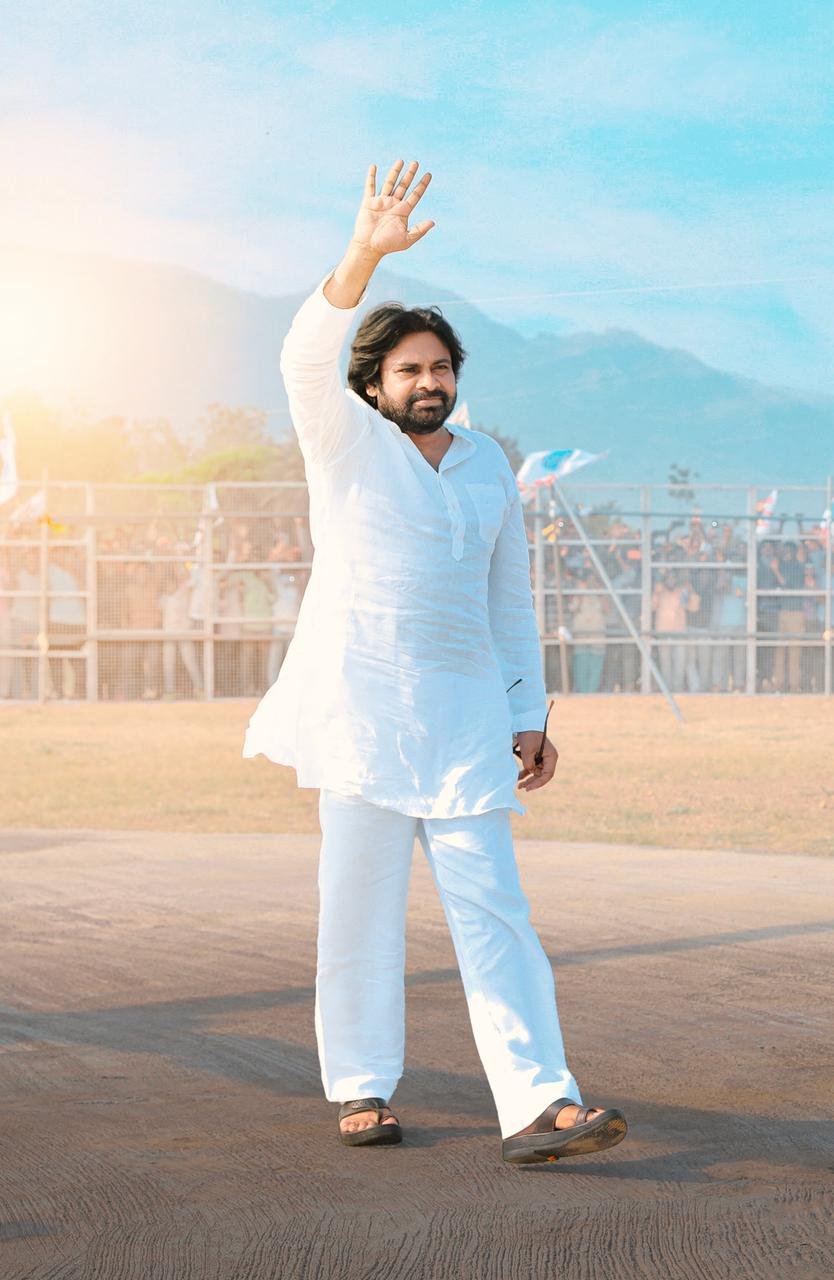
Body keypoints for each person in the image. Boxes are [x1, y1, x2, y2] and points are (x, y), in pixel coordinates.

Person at [243, 159, 627, 1165]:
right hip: (361, 712)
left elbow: (509, 599)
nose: (430, 382)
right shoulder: (345, 443)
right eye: (409, 369)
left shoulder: (487, 460)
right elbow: (300, 356)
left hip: (465, 719)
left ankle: (540, 1103)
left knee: (498, 912)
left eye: (442, 367)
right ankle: (361, 1085)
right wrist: (363, 252)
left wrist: (528, 712)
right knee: (358, 913)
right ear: (375, 384)